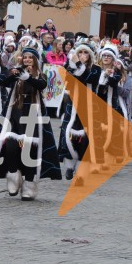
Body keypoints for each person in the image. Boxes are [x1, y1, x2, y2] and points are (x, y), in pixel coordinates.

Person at [0, 45, 61, 200]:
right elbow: (5, 83)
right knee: (10, 146)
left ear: (35, 60)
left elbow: (41, 85)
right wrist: (13, 74)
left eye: (30, 57)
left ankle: (29, 183)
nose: (27, 60)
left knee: (30, 150)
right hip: (14, 113)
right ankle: (13, 174)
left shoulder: (40, 75)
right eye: (25, 57)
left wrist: (27, 77)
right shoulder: (16, 72)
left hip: (33, 115)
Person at [59, 42, 101, 182]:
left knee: (86, 138)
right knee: (68, 135)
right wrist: (74, 65)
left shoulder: (96, 69)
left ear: (90, 55)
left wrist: (79, 65)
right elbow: (68, 81)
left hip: (89, 106)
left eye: (85, 53)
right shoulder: (69, 67)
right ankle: (70, 166)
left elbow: (89, 78)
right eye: (80, 52)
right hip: (73, 105)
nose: (82, 55)